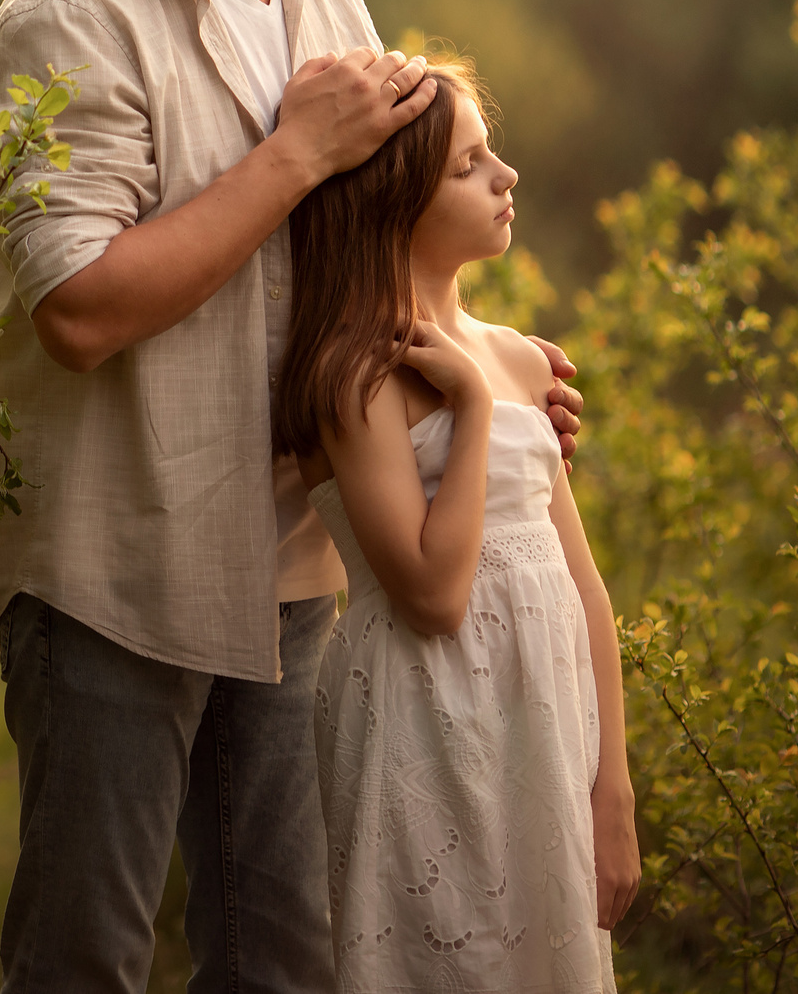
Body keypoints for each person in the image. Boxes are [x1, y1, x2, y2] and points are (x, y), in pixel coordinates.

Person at [0, 0, 580, 993]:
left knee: (284, 960)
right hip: (119, 565)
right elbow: (79, 309)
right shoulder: (68, 18)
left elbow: (372, 259)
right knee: (86, 963)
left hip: (295, 558)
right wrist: (290, 154)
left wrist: (488, 382)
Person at [279, 60, 639, 992]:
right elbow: (435, 595)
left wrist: (613, 789)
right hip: (422, 727)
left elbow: (584, 590)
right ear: (396, 201)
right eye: (470, 164)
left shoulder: (520, 357)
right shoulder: (357, 374)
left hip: (543, 727)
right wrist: (474, 411)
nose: (504, 176)